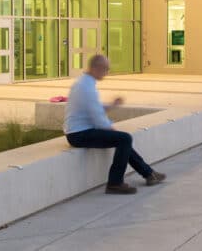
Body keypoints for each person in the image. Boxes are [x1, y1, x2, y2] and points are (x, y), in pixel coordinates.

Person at [64, 54, 166, 194]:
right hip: (79, 134)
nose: (107, 72)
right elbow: (97, 118)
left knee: (123, 139)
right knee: (124, 139)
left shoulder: (84, 83)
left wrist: (111, 105)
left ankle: (149, 174)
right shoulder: (86, 87)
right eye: (106, 69)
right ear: (96, 68)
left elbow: (94, 108)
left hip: (78, 132)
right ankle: (115, 183)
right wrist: (111, 129)